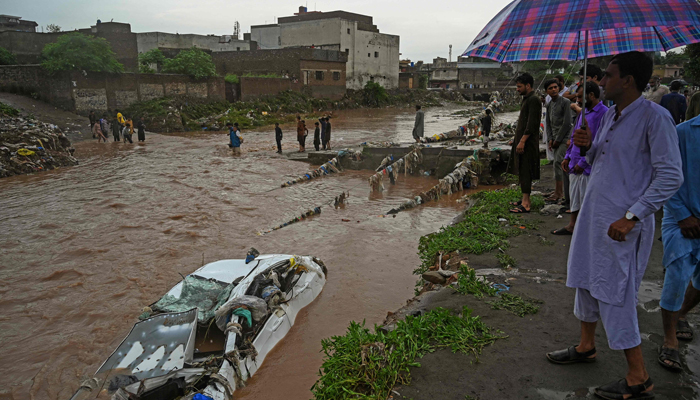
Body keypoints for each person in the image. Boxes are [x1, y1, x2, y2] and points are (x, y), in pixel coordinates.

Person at [546, 51, 683, 400]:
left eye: (607, 76)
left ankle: (638, 376)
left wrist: (633, 216)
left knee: (614, 292)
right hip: (596, 216)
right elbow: (599, 161)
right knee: (585, 280)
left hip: (623, 225)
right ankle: (586, 345)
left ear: (628, 81)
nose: (600, 82)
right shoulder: (609, 117)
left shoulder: (656, 118)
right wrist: (586, 146)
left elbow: (670, 176)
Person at [658, 113, 700, 373]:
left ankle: (682, 313)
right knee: (677, 274)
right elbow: (665, 174)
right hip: (680, 216)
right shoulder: (683, 132)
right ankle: (669, 338)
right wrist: (683, 215)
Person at [552, 82, 608, 235]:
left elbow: (599, 142)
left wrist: (583, 163)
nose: (577, 100)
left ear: (591, 95)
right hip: (574, 160)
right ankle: (572, 225)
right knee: (575, 197)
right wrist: (568, 156)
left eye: (579, 97)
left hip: (588, 165)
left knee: (587, 200)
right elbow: (574, 135)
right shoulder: (583, 112)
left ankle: (586, 229)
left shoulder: (604, 114)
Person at [508, 73, 541, 214]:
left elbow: (532, 124)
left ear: (528, 86)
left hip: (527, 143)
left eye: (519, 86)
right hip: (522, 141)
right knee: (522, 170)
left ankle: (526, 204)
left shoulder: (534, 100)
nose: (517, 89)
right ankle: (523, 199)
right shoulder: (527, 99)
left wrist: (522, 141)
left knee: (526, 170)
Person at [544, 78, 572, 204]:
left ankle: (560, 192)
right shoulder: (550, 104)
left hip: (564, 138)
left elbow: (567, 123)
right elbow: (548, 123)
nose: (554, 89)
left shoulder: (565, 102)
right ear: (547, 91)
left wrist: (557, 140)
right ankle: (558, 190)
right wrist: (550, 139)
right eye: (551, 88)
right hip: (554, 138)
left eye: (555, 87)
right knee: (557, 165)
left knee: (558, 162)